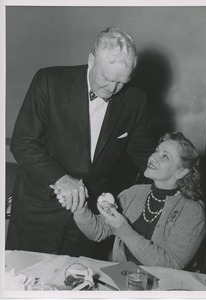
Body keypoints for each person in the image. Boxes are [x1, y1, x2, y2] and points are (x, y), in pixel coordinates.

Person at [6, 27, 156, 258]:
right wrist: (61, 179)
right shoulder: (49, 81)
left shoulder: (135, 100)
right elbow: (23, 142)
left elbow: (146, 156)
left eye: (121, 82)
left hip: (88, 218)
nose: (112, 89)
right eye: (106, 78)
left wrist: (183, 191)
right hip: (37, 209)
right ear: (91, 60)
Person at [73, 132, 206, 269]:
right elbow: (97, 231)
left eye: (164, 156)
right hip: (123, 277)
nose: (153, 157)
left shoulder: (192, 211)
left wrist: (122, 229)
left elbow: (171, 265)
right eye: (156, 151)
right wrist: (79, 206)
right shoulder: (134, 193)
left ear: (181, 172)